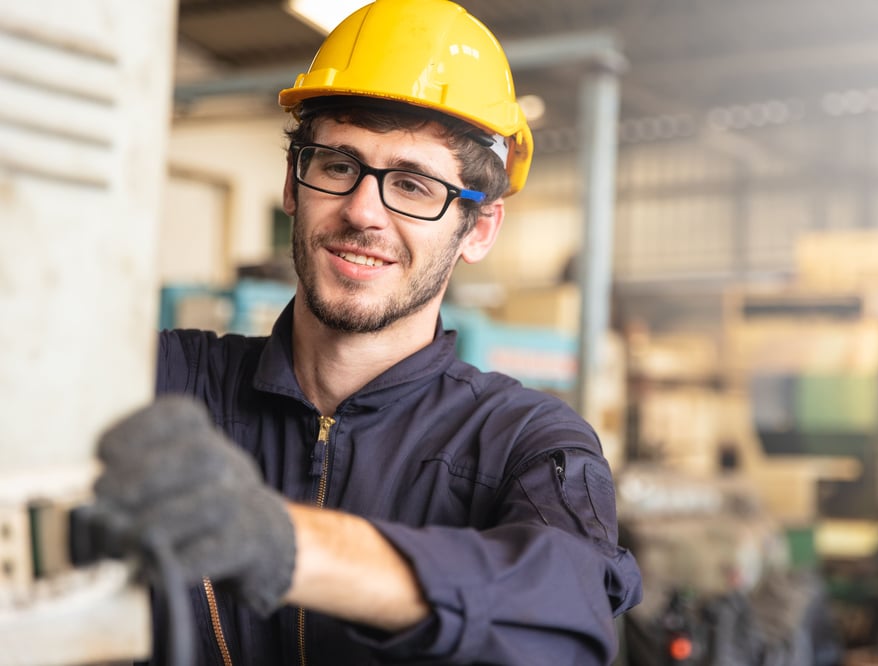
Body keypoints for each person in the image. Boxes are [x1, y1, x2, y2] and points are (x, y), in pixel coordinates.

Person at [93, 0, 643, 664]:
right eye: (337, 166)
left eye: (413, 186)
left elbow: (566, 616)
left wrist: (285, 545)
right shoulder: (165, 380)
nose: (362, 212)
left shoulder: (523, 444)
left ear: (479, 229)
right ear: (294, 186)